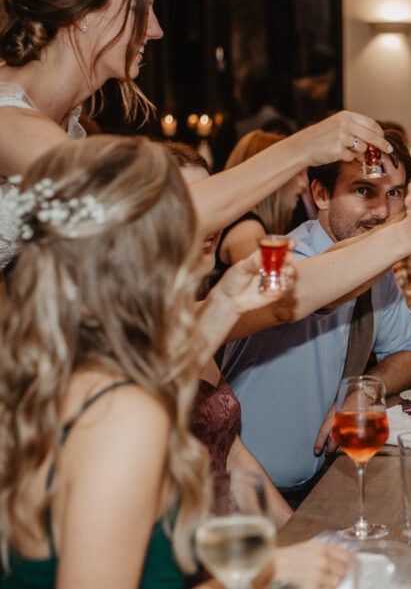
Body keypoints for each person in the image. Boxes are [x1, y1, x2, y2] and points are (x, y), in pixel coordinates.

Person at [0, 0, 389, 483]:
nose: (158, 28)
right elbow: (161, 216)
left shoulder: (64, 127)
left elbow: (2, 264)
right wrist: (302, 147)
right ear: (86, 13)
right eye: (141, 9)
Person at [0, 136, 350, 589]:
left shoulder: (70, 366)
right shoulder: (123, 415)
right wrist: (263, 574)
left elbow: (172, 373)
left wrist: (225, 303)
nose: (211, 226)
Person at [223, 131, 411, 500]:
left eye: (394, 193)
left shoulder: (377, 269)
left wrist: (364, 390)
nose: (383, 211)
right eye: (363, 191)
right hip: (240, 493)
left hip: (321, 483)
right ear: (320, 194)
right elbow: (307, 298)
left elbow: (409, 351)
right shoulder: (291, 259)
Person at [165, 141, 294, 530]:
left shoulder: (189, 312)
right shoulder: (137, 328)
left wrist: (296, 531)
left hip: (229, 535)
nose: (212, 224)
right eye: (195, 207)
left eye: (215, 204)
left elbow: (231, 452)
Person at [214, 130, 307, 277]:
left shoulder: (244, 222)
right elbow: (265, 284)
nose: (303, 184)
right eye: (296, 173)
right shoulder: (248, 229)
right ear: (274, 176)